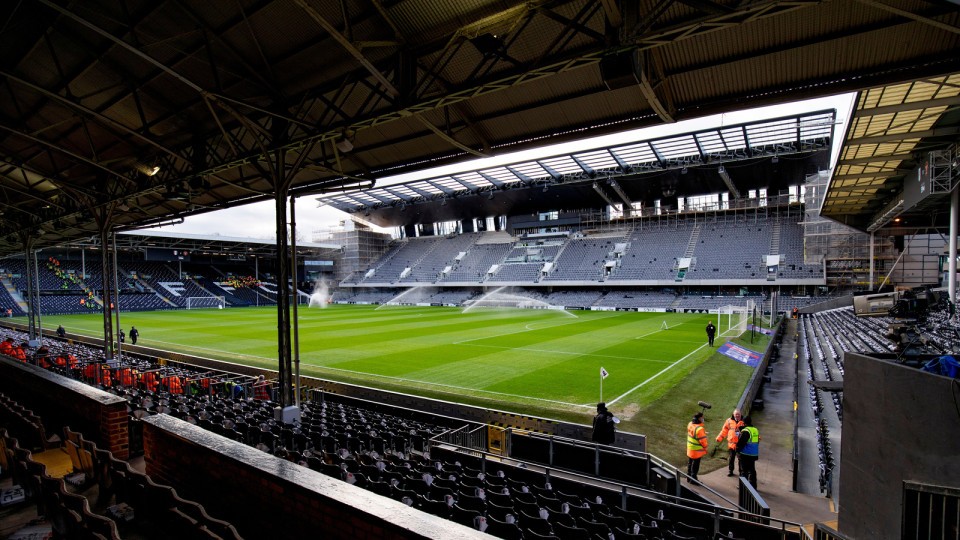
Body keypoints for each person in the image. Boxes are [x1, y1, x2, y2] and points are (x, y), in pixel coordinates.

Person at [716, 409, 745, 477]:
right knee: (731, 458)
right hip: (731, 444)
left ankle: (741, 473)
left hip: (740, 444)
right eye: (736, 414)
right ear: (733, 414)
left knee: (740, 460)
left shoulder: (744, 421)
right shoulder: (729, 421)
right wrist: (719, 438)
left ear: (741, 414)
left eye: (738, 414)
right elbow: (724, 430)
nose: (737, 415)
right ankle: (730, 471)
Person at [737, 415, 760, 488]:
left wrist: (737, 451)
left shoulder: (746, 431)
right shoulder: (755, 430)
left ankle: (743, 487)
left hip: (745, 454)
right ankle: (753, 486)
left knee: (744, 471)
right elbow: (757, 441)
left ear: (744, 423)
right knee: (752, 470)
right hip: (753, 454)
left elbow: (741, 443)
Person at [686, 412, 708, 482]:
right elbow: (703, 441)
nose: (703, 419)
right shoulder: (700, 429)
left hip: (690, 448)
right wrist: (705, 446)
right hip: (697, 450)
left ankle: (688, 477)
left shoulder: (690, 424)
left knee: (690, 463)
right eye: (702, 417)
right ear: (700, 418)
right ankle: (693, 479)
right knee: (695, 465)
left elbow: (693, 433)